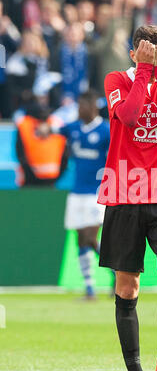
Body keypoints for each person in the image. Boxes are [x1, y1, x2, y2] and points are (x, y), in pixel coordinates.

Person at [97, 25, 157, 371]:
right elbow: (131, 115)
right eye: (144, 51)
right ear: (134, 52)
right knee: (127, 286)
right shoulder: (116, 78)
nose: (150, 56)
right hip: (123, 193)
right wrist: (147, 72)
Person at [38, 90, 112, 299]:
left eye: (81, 106)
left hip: (96, 193)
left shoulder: (106, 131)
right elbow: (55, 129)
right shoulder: (74, 128)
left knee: (90, 237)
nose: (78, 110)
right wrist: (45, 129)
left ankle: (115, 270)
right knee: (80, 239)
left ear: (92, 107)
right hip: (76, 193)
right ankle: (90, 288)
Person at [16, 101, 67, 187]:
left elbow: (65, 155)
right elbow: (20, 153)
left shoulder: (57, 125)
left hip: (50, 181)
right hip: (29, 182)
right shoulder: (24, 125)